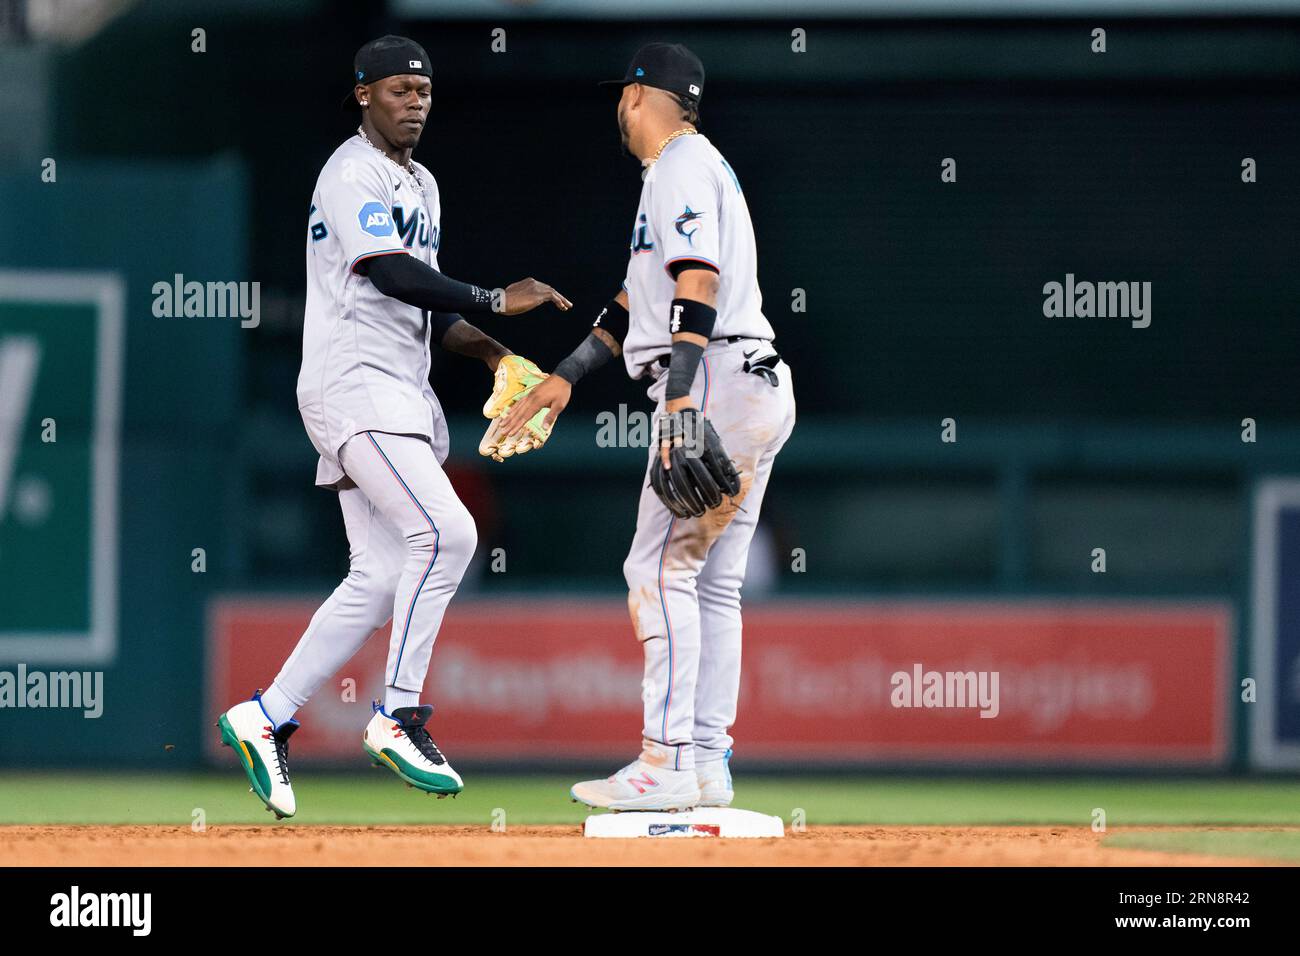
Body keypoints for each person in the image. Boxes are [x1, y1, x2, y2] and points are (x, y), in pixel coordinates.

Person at [216, 35, 570, 819]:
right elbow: (386, 270)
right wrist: (492, 297)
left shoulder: (425, 185)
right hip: (355, 387)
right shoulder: (350, 173)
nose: (415, 101)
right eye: (399, 89)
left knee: (376, 576)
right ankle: (399, 715)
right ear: (364, 95)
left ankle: (265, 715)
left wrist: (495, 352)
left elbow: (423, 302)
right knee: (449, 534)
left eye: (424, 90)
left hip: (398, 394)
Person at [499, 43, 795, 811]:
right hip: (752, 379)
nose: (618, 110)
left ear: (637, 96)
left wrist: (683, 401)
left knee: (659, 572)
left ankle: (663, 762)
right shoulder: (686, 170)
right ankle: (705, 763)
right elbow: (637, 305)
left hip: (714, 379)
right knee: (714, 585)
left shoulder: (678, 167)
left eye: (620, 96)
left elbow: (698, 283)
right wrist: (567, 376)